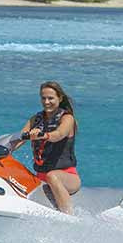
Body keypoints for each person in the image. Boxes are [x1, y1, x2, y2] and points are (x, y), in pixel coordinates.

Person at [13, 81, 81, 214]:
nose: (46, 102)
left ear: (60, 98)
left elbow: (59, 134)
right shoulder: (35, 119)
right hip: (41, 178)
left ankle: (69, 217)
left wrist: (43, 135)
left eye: (51, 98)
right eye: (43, 98)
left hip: (68, 177)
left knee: (52, 176)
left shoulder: (67, 118)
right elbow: (19, 139)